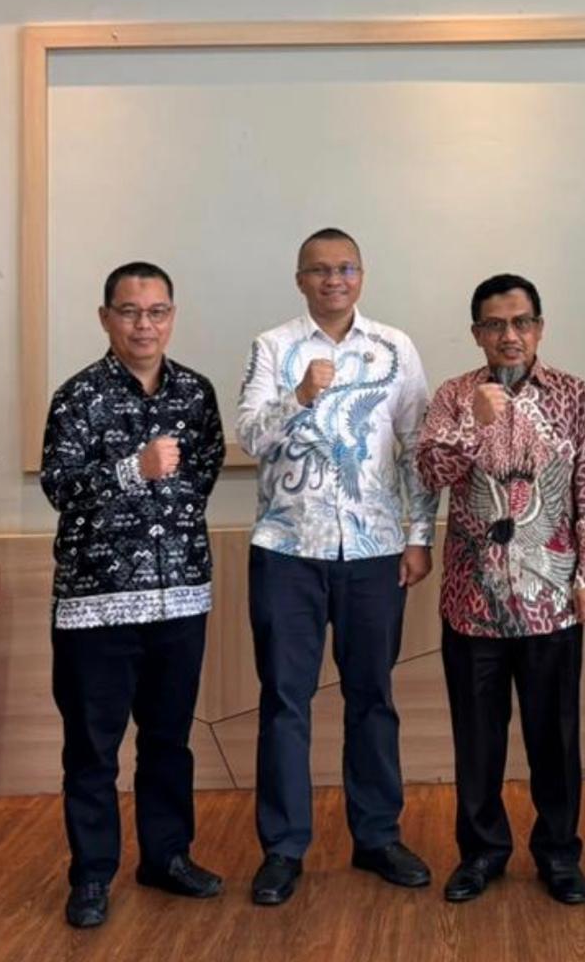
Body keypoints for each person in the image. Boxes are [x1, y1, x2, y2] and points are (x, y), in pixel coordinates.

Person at [237, 227, 438, 906]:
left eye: (345, 268)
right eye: (319, 270)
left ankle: (377, 836)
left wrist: (418, 537)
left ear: (361, 275)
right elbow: (249, 436)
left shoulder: (394, 347)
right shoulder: (273, 346)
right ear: (300, 279)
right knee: (284, 700)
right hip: (287, 550)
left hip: (375, 551)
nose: (333, 280)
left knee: (372, 696)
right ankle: (283, 848)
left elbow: (416, 447)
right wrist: (298, 395)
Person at [417, 273, 585, 906]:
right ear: (477, 332)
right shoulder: (453, 395)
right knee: (478, 741)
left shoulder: (574, 395)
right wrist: (473, 426)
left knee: (554, 738)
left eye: (522, 322)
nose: (510, 335)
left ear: (539, 327)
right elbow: (429, 471)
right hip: (471, 604)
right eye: (496, 324)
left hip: (550, 603)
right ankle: (482, 852)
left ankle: (559, 853)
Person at [41, 261, 225, 929]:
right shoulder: (77, 396)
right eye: (129, 311)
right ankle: (91, 875)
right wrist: (131, 470)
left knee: (169, 739)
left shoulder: (196, 393)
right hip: (97, 605)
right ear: (105, 318)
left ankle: (166, 857)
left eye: (156, 311)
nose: (144, 324)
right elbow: (59, 487)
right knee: (93, 748)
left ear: (172, 316)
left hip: (180, 599)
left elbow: (202, 476)